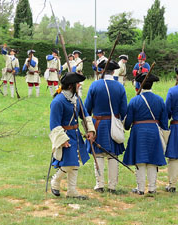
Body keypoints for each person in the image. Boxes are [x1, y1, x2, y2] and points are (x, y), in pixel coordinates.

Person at [49, 72, 95, 199]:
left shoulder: (76, 99)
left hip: (75, 134)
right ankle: (55, 181)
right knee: (68, 163)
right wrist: (62, 140)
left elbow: (85, 115)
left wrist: (90, 130)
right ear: (71, 86)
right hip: (66, 136)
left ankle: (72, 191)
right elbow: (54, 124)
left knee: (75, 163)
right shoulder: (58, 101)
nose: (79, 86)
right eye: (77, 84)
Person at [85, 60, 127, 193]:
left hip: (98, 124)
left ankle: (100, 185)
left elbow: (87, 108)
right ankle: (112, 186)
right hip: (114, 124)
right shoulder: (120, 87)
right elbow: (124, 110)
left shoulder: (94, 85)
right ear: (114, 71)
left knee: (98, 155)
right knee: (112, 155)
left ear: (102, 70)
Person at [123, 73, 168, 195]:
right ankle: (152, 188)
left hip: (138, 131)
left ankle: (140, 188)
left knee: (140, 160)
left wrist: (126, 126)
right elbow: (164, 123)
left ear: (140, 85)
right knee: (153, 161)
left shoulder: (134, 100)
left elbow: (127, 123)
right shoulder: (159, 100)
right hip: (154, 130)